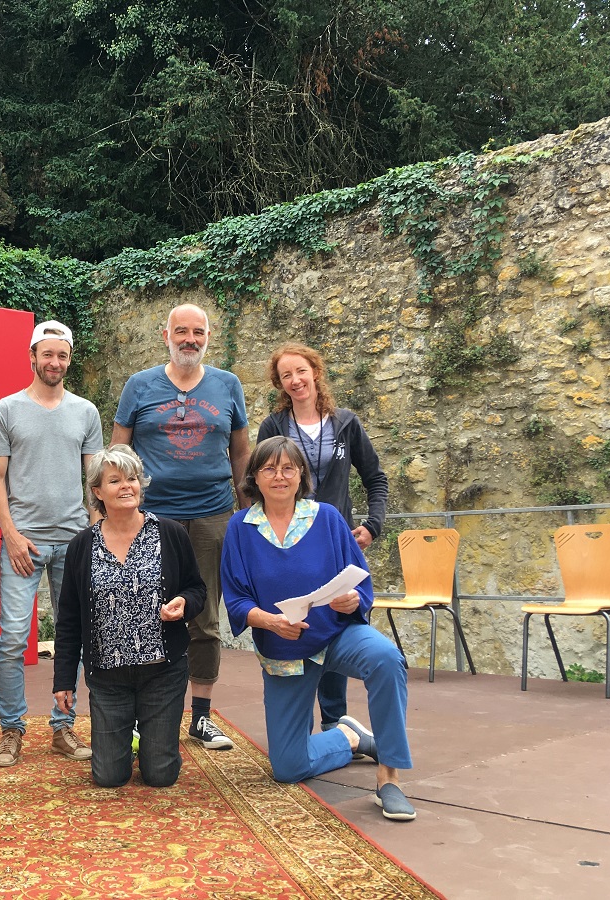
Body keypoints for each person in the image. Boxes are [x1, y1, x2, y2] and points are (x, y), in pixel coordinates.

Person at [221, 436, 416, 821]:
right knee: (288, 768)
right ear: (254, 479)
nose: (280, 476)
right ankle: (350, 737)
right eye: (269, 469)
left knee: (386, 658)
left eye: (288, 468)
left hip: (336, 634)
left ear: (302, 475)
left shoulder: (327, 517)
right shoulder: (240, 528)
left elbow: (360, 583)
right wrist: (271, 622)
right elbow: (238, 601)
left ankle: (389, 778)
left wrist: (353, 600)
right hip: (284, 648)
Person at [111, 303, 249, 750]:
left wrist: (247, 515)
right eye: (181, 331)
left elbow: (241, 454)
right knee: (142, 613)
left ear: (209, 336)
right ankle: (140, 715)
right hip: (152, 518)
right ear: (165, 334)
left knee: (205, 617)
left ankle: (202, 717)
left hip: (213, 516)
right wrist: (110, 514)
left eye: (199, 332)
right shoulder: (139, 385)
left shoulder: (228, 386)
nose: (190, 339)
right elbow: (118, 454)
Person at [53, 445, 206, 787]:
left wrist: (183, 601)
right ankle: (130, 738)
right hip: (108, 677)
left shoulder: (170, 534)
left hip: (162, 673)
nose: (127, 486)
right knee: (109, 777)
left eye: (133, 478)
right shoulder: (81, 546)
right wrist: (63, 680)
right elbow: (68, 620)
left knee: (160, 776)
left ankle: (152, 740)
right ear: (97, 492)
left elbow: (197, 589)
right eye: (115, 480)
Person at [0, 320, 103, 768]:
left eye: (62, 356)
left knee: (71, 638)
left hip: (75, 542)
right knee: (13, 637)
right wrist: (11, 535)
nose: (54, 362)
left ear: (68, 360)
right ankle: (11, 730)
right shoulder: (6, 410)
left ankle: (63, 726)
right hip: (24, 545)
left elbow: (95, 481)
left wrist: (96, 534)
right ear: (32, 357)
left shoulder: (85, 412)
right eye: (47, 354)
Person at [257, 342, 389, 734]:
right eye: (286, 376)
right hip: (289, 545)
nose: (296, 380)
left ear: (315, 372)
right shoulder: (274, 427)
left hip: (335, 542)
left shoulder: (345, 423)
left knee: (338, 622)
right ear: (280, 384)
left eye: (301, 371)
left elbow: (375, 479)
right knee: (294, 622)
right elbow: (259, 481)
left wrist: (373, 525)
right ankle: (295, 725)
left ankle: (335, 724)